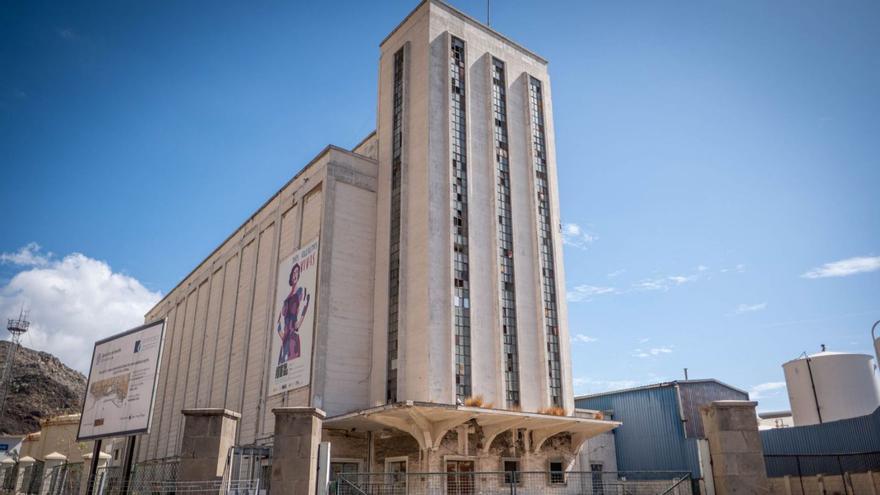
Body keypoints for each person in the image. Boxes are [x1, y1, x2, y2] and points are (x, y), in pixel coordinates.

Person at [276, 262, 310, 365]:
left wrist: (298, 323)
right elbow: (279, 321)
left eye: (297, 273)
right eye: (293, 273)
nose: (295, 275)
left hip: (292, 340)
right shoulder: (286, 297)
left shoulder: (300, 290)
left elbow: (305, 305)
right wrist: (282, 335)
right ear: (291, 275)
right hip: (285, 341)